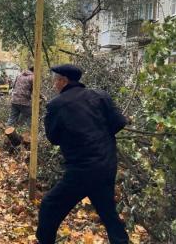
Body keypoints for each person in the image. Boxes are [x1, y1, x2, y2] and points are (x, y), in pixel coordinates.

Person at [37, 64, 129, 244]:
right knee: (108, 212)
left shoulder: (57, 105)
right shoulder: (101, 96)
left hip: (81, 170)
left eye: (56, 80)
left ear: (64, 81)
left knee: (49, 206)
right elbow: (119, 123)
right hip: (107, 165)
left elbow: (53, 138)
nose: (54, 84)